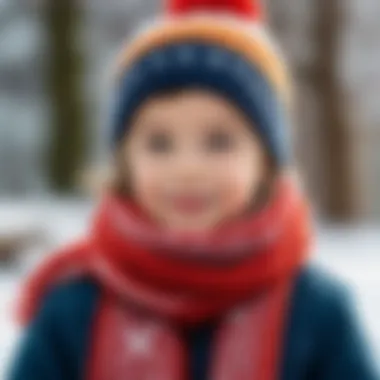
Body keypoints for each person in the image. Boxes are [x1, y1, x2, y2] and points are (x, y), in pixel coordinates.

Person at [8, 0, 378, 379]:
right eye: (159, 143)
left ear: (266, 162)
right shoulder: (73, 311)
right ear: (124, 161)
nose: (187, 169)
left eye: (218, 141)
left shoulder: (317, 313)